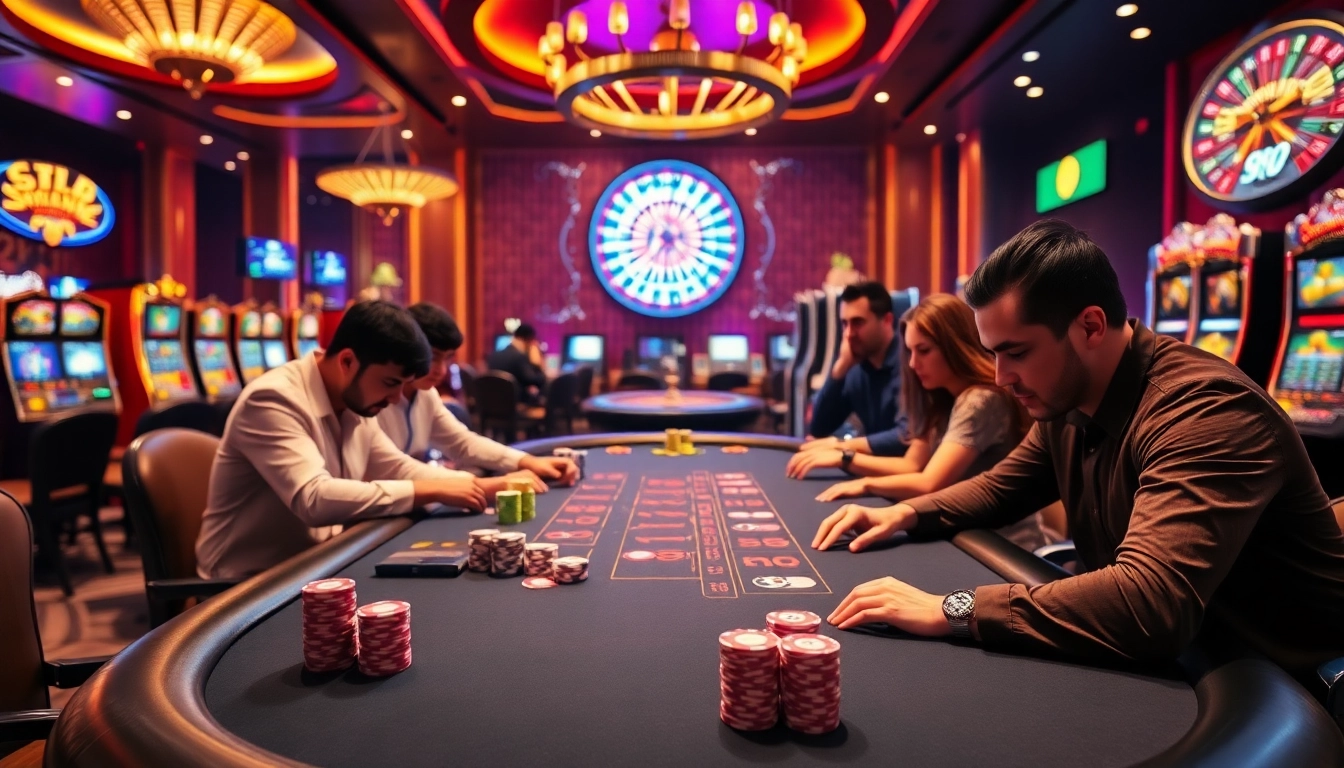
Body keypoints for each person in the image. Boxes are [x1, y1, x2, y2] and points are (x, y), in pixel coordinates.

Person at [813, 220, 1344, 687]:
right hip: (1197, 658)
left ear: (1090, 326)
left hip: (1284, 681)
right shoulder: (1067, 403)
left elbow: (1150, 603)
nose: (1002, 378)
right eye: (993, 355)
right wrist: (903, 513)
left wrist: (949, 608)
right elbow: (1003, 486)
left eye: (1016, 352)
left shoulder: (1205, 411)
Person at [197, 301, 491, 579]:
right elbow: (314, 498)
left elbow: (396, 467)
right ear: (348, 361)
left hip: (313, 564)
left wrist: (470, 487)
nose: (396, 398)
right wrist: (430, 490)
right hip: (242, 591)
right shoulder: (273, 399)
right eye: (390, 383)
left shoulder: (354, 402)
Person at [814, 294, 1046, 551]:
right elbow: (911, 464)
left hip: (1005, 549)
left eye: (923, 350)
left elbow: (929, 483)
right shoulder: (942, 399)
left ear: (955, 346)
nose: (913, 364)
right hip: (966, 536)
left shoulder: (981, 400)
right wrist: (845, 458)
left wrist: (852, 466)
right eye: (910, 352)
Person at [379, 303, 578, 487]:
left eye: (447, 359)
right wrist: (489, 485)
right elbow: (393, 469)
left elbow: (462, 443)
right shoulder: (373, 400)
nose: (441, 370)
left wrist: (527, 461)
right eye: (433, 357)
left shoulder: (426, 394)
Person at [786, 282, 908, 479]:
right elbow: (819, 429)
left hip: (907, 477)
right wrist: (839, 370)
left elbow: (907, 435)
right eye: (845, 323)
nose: (849, 334)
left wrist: (842, 446)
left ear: (886, 320)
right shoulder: (856, 368)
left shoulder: (912, 364)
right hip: (873, 472)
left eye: (857, 323)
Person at [486, 322, 547, 405]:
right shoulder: (519, 356)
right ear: (529, 340)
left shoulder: (494, 355)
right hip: (513, 405)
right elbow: (534, 380)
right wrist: (538, 365)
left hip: (493, 403)